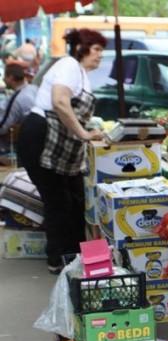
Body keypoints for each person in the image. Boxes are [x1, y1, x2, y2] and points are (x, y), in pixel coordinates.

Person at [17, 28, 106, 275]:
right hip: (42, 137)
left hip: (63, 149)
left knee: (76, 198)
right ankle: (58, 260)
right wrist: (84, 133)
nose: (100, 55)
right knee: (59, 202)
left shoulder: (81, 73)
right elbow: (59, 101)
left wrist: (88, 128)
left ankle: (77, 256)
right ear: (81, 49)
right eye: (96, 49)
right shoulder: (68, 64)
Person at [0, 63, 38, 155]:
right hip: (36, 135)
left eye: (5, 76)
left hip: (22, 142)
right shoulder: (33, 88)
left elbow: (2, 128)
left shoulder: (17, 99)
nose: (4, 79)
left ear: (11, 78)